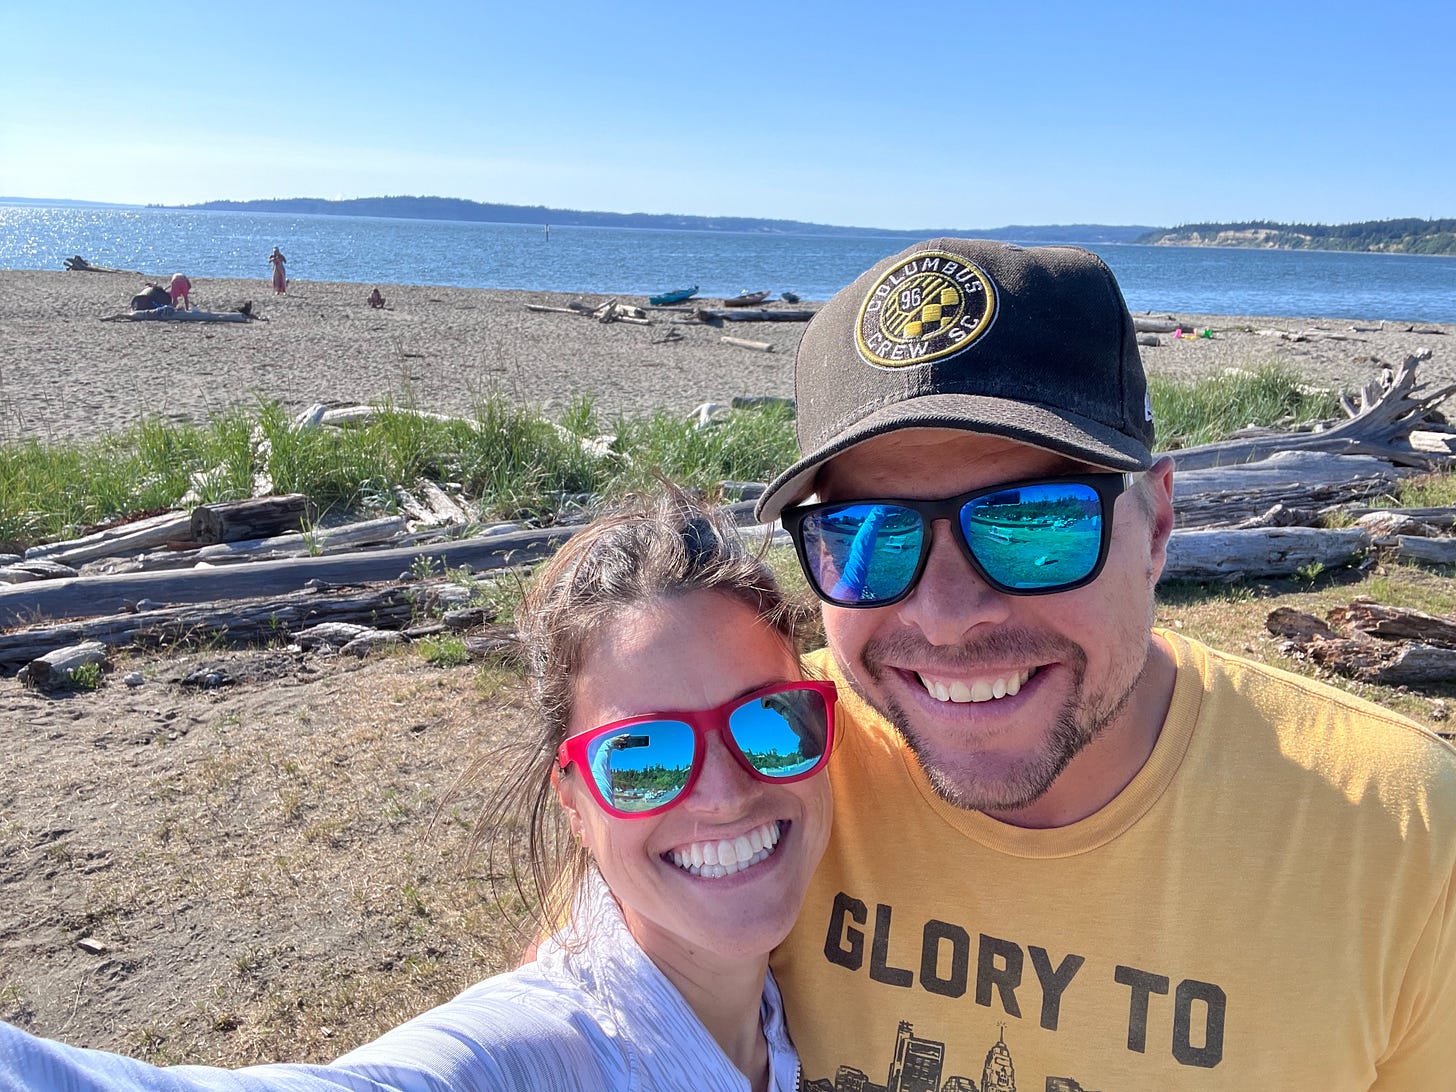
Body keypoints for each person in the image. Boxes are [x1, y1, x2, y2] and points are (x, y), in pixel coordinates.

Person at [755, 238, 1456, 1089]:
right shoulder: (757, 761)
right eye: (869, 533)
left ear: (1156, 526)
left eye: (1036, 521)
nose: (945, 618)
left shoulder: (1400, 834)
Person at [0, 489, 834, 1091]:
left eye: (770, 722)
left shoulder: (781, 1016)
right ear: (575, 804)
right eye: (642, 755)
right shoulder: (541, 1053)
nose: (723, 794)